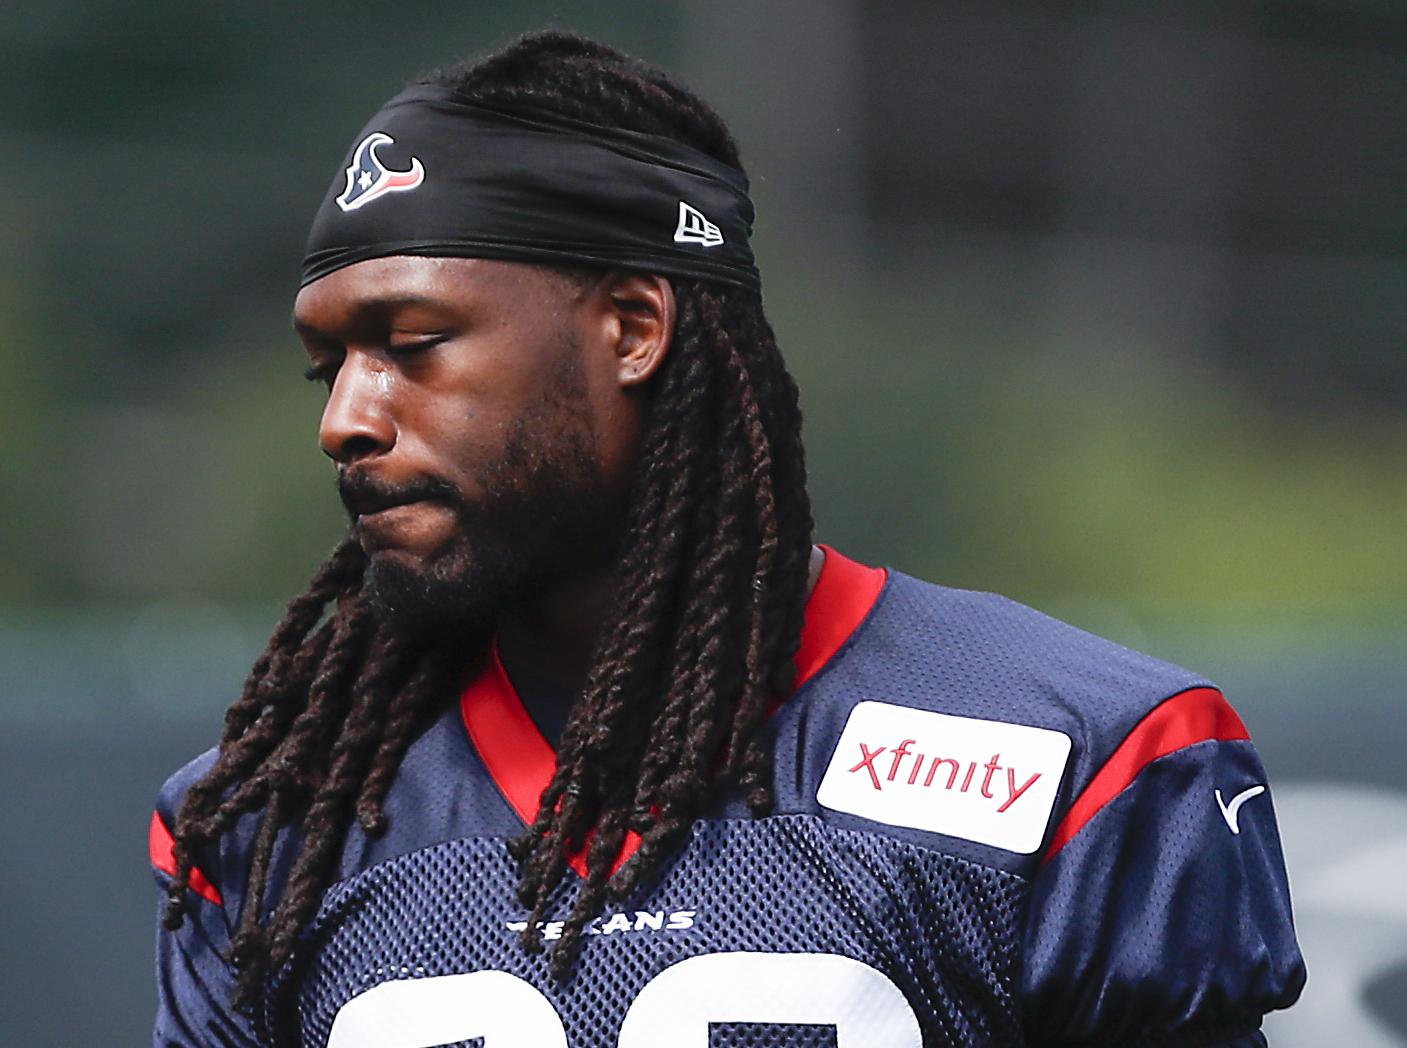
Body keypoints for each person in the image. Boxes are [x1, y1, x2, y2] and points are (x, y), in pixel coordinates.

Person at [150, 30, 1305, 1047]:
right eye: (330, 364)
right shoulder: (268, 829)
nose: (345, 417)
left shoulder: (1088, 763)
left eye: (412, 342)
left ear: (634, 327)